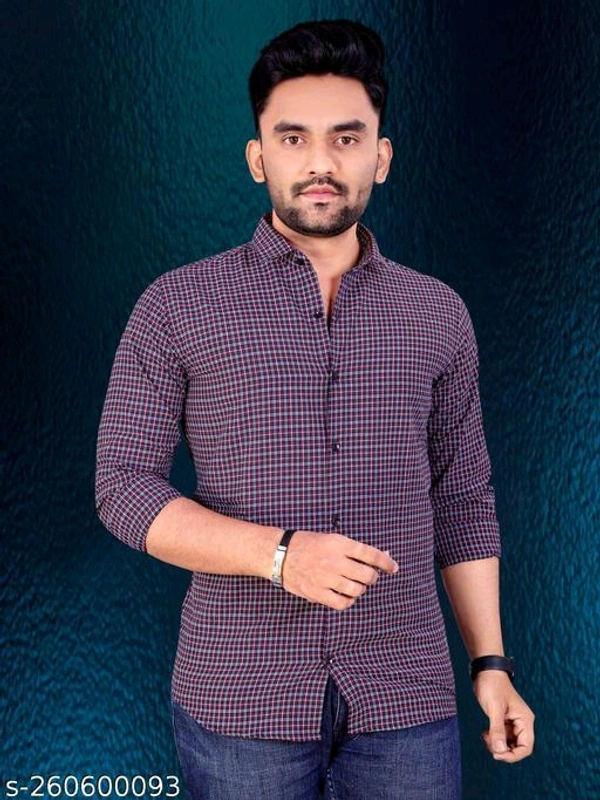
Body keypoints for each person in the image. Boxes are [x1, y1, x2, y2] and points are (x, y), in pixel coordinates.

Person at [95, 18, 534, 799]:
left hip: (407, 698)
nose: (321, 163)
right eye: (293, 138)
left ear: (381, 157)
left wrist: (490, 664)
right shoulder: (177, 305)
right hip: (239, 698)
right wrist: (279, 556)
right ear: (257, 157)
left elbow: (463, 501)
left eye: (346, 138)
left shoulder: (439, 313)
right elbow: (122, 488)